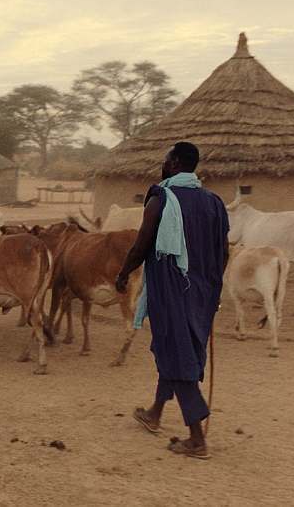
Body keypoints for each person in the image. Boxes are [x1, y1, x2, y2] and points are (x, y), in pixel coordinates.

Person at [115, 142, 229, 459]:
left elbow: (141, 245)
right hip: (202, 293)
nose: (163, 164)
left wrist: (123, 274)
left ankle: (197, 440)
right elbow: (224, 253)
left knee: (179, 358)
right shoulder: (214, 202)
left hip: (171, 291)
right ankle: (154, 413)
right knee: (176, 351)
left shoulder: (162, 198)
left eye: (166, 159)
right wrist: (211, 289)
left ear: (175, 162)